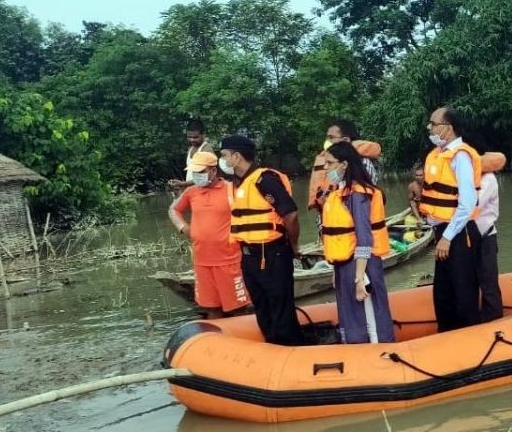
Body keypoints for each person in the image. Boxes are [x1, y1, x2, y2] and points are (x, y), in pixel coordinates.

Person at [219, 135, 304, 345]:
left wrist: (293, 246)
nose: (222, 161)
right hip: (249, 256)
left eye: (224, 156)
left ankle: (292, 350)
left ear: (236, 157)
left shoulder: (264, 180)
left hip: (272, 253)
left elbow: (290, 214)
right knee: (262, 307)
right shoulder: (239, 184)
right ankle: (272, 349)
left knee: (280, 308)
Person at [321, 141, 395, 344]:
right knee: (349, 313)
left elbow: (364, 238)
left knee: (368, 316)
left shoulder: (358, 195)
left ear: (343, 164)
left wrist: (359, 278)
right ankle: (355, 350)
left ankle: (378, 351)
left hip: (361, 264)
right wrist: (336, 272)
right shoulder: (340, 193)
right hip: (345, 264)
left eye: (329, 163)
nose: (325, 168)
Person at [421, 107, 482, 332]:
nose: (430, 128)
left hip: (459, 233)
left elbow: (467, 203)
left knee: (463, 293)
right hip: (443, 231)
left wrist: (446, 237)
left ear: (449, 128)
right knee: (443, 294)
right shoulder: (437, 155)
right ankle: (447, 339)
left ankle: (471, 340)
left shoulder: (461, 156)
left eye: (434, 124)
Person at [168, 152, 249, 318]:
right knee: (210, 308)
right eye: (195, 172)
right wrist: (183, 227)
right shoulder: (191, 192)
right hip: (202, 261)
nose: (197, 176)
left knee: (237, 308)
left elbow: (248, 216)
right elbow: (173, 210)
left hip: (229, 260)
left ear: (213, 171)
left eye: (201, 172)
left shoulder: (231, 190)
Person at [307, 120, 381, 238]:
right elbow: (327, 193)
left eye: (331, 137)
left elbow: (362, 202)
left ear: (346, 140)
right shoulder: (331, 166)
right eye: (327, 137)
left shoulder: (363, 164)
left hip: (354, 229)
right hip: (331, 226)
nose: (327, 141)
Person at [475, 151, 506, 322]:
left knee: (488, 282)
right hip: (466, 238)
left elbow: (474, 204)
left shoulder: (488, 180)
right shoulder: (466, 178)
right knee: (469, 281)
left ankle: (494, 317)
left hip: (485, 238)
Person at [169, 119, 214, 192]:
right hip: (192, 192)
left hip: (203, 192)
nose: (192, 140)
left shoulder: (206, 149)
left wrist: (184, 184)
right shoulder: (191, 148)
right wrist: (183, 185)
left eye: (195, 137)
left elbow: (206, 177)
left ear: (203, 135)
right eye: (189, 137)